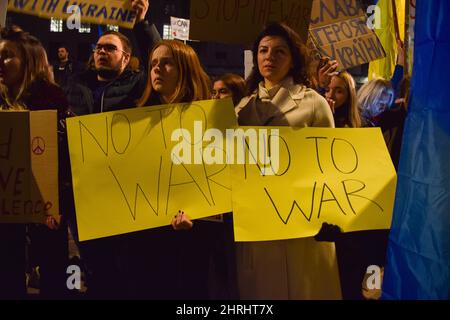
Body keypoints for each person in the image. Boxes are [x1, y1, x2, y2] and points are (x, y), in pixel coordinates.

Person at [63, 0, 162, 298]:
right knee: (95, 265)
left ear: (127, 57)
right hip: (84, 193)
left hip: (125, 193)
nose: (102, 52)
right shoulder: (73, 86)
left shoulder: (138, 86)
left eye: (110, 48)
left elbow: (159, 55)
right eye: (98, 48)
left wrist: (143, 23)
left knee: (126, 267)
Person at [234, 22, 341, 299]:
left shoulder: (314, 103)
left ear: (293, 59)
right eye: (264, 50)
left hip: (302, 221)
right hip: (258, 223)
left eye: (280, 51)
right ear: (256, 58)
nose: (270, 56)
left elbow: (329, 161)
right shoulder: (241, 108)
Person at [132, 39, 214, 299]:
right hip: (145, 236)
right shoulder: (137, 118)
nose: (157, 69)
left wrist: (199, 220)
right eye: (154, 63)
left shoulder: (209, 120)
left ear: (185, 69)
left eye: (167, 63)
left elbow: (216, 182)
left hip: (188, 239)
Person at [0, 25, 70, 299]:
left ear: (28, 61)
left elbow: (64, 164)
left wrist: (57, 203)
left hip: (46, 217)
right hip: (5, 220)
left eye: (7, 55)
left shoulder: (54, 105)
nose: (0, 62)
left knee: (52, 279)